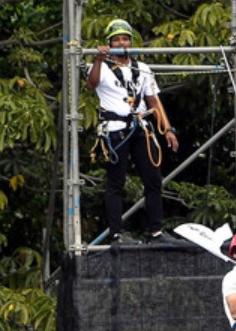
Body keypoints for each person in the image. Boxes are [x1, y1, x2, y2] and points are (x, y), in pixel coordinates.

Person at [87, 18, 179, 245]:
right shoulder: (101, 67)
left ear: (131, 42)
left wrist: (167, 129)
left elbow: (153, 101)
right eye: (117, 39)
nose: (122, 43)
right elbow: (92, 84)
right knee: (116, 182)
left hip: (141, 128)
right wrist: (98, 59)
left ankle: (156, 232)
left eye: (125, 39)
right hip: (115, 130)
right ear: (110, 42)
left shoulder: (142, 69)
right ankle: (117, 234)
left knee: (153, 179)